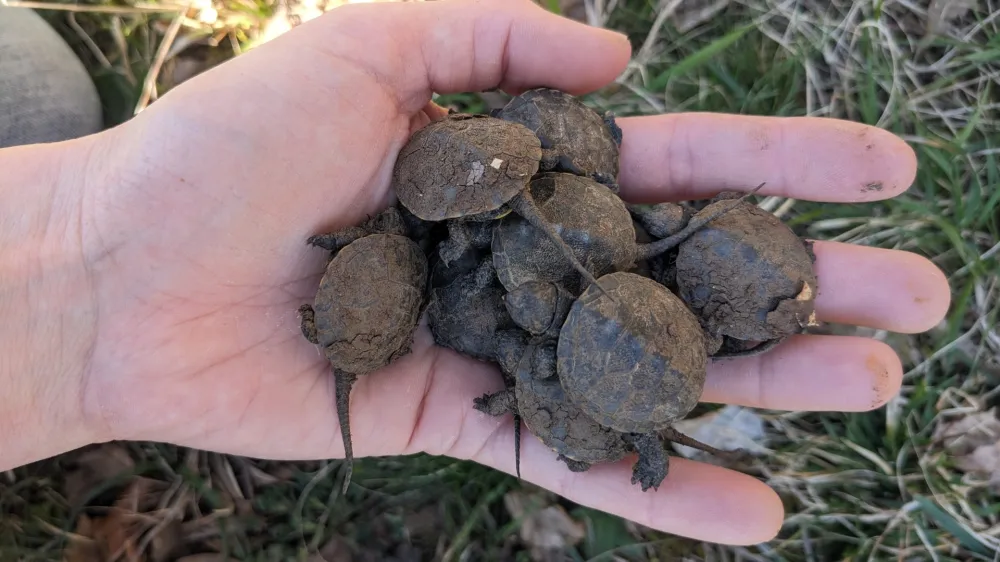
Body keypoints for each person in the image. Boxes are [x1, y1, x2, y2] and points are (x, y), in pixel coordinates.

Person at [0, 0, 950, 547]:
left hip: (607, 308)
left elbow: (544, 296)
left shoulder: (554, 271)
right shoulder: (529, 274)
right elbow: (523, 297)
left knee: (46, 92)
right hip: (593, 316)